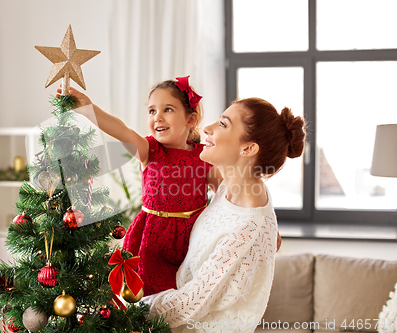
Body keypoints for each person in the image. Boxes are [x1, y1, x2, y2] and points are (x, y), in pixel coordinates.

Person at [142, 97, 306, 333]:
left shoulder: (247, 225)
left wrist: (130, 308)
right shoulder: (235, 186)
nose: (207, 129)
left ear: (248, 148)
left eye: (223, 124)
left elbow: (190, 303)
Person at [57, 76, 222, 296]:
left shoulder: (204, 157)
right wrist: (89, 108)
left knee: (185, 297)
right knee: (148, 299)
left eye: (168, 110)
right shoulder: (149, 149)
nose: (158, 118)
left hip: (193, 239)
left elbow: (227, 196)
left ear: (191, 119)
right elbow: (122, 131)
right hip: (151, 240)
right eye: (152, 111)